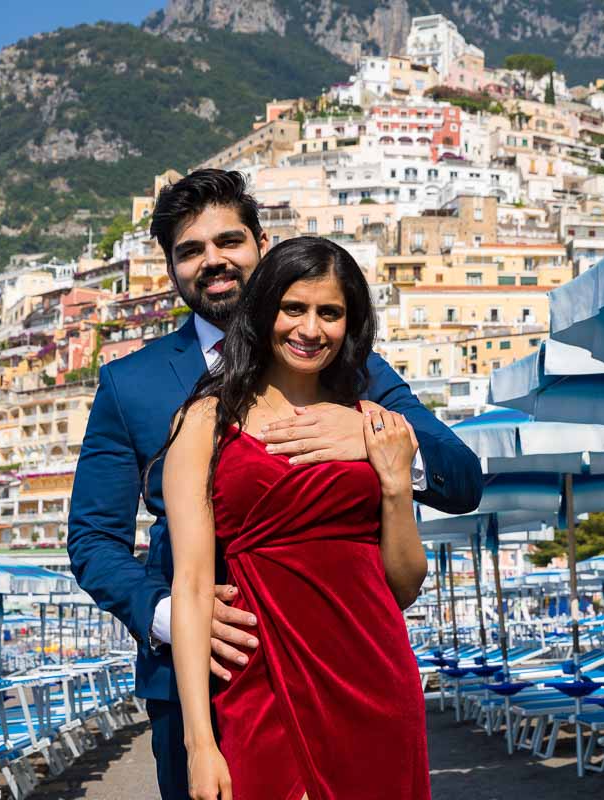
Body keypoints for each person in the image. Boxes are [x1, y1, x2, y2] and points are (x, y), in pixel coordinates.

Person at [68, 169, 483, 799]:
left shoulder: (351, 370)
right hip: (208, 674)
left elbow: (462, 477)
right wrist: (171, 616)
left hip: (352, 665)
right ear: (171, 268)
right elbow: (93, 541)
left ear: (261, 244)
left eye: (228, 241)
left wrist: (363, 437)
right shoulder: (131, 385)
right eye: (190, 250)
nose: (213, 261)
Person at [165, 236, 431, 798]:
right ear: (264, 309)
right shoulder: (204, 420)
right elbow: (189, 585)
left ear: (350, 325)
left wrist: (395, 482)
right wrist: (199, 745)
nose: (310, 330)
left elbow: (403, 586)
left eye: (330, 313)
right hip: (261, 682)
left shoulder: (373, 422)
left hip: (374, 677)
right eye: (294, 308)